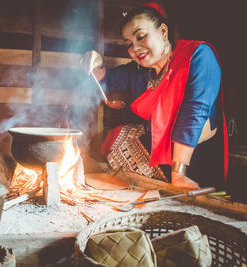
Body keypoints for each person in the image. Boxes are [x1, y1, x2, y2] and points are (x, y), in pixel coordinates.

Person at [81, 2, 228, 190]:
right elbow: (106, 79)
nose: (135, 48)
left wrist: (179, 173)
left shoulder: (198, 55)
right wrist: (96, 62)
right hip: (161, 148)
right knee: (118, 135)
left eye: (141, 37)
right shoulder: (141, 70)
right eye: (129, 44)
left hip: (194, 157)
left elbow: (195, 112)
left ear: (163, 32)